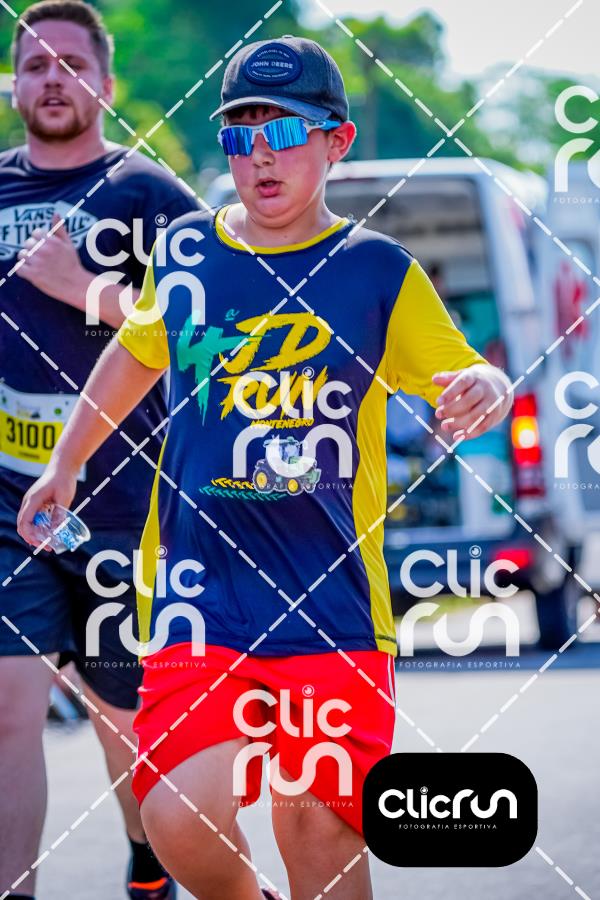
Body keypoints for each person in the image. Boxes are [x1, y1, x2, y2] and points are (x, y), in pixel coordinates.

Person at [17, 35, 513, 900]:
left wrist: (488, 385)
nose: (261, 156)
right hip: (197, 595)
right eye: (241, 135)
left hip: (332, 606)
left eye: (283, 132)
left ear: (336, 141)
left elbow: (463, 369)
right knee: (177, 815)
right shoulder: (187, 253)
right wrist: (65, 463)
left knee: (317, 823)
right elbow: (135, 354)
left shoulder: (376, 272)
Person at [1, 2, 198, 898]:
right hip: (9, 498)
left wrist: (87, 289)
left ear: (106, 85)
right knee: (9, 712)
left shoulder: (146, 192)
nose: (54, 79)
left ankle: (150, 860)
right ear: (14, 85)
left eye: (72, 64)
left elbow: (210, 329)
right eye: (36, 64)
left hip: (123, 498)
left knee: (121, 711)